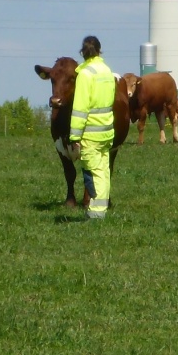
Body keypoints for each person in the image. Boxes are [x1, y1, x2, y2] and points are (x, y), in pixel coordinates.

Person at [69, 34, 117, 219]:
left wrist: (74, 137)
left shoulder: (85, 75)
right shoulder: (107, 71)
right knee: (103, 172)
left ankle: (96, 214)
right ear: (99, 50)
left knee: (92, 173)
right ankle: (101, 210)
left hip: (90, 134)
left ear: (82, 52)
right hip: (106, 131)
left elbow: (80, 108)